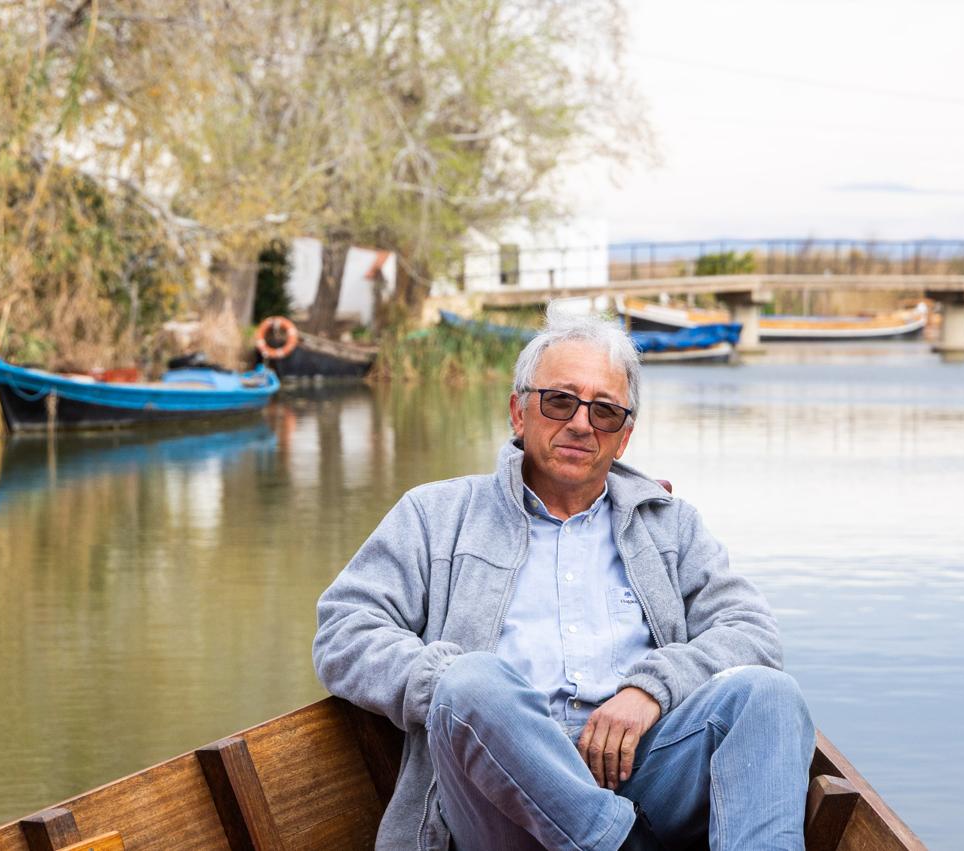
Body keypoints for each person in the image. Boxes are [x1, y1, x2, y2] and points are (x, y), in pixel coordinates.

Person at [313, 303, 815, 850]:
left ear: (623, 438)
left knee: (767, 694)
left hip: (642, 776)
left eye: (604, 411)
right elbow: (345, 631)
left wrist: (652, 688)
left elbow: (752, 632)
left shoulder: (669, 525)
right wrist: (452, 691)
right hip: (497, 803)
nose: (581, 423)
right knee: (472, 682)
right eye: (559, 401)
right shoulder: (435, 515)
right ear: (518, 412)